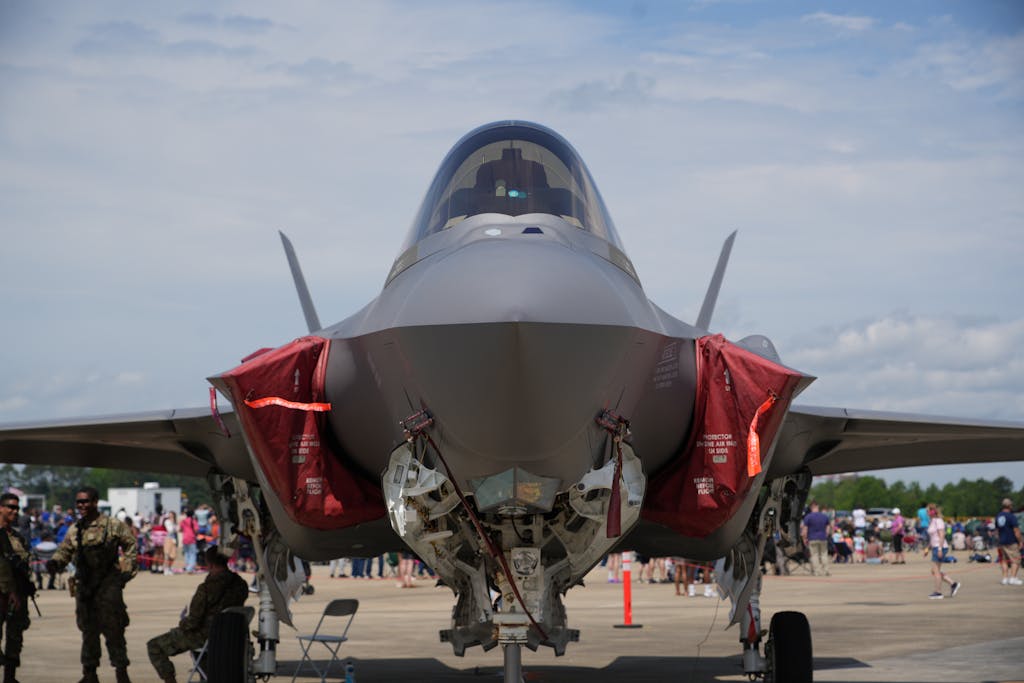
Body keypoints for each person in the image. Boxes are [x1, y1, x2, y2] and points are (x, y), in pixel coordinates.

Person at [47, 486, 138, 683]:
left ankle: (121, 673)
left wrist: (126, 573)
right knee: (88, 632)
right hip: (86, 589)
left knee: (114, 631)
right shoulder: (76, 530)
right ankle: (89, 674)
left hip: (108, 588)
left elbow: (130, 545)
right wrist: (55, 562)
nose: (81, 506)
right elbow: (65, 551)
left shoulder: (113, 525)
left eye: (85, 501)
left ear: (95, 502)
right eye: (79, 502)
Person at [146, 547, 249, 683]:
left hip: (205, 636)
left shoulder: (206, 589)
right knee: (200, 651)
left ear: (210, 564)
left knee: (154, 646)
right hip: (231, 635)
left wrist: (182, 622)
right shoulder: (241, 584)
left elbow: (193, 622)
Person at [0, 492, 34, 683]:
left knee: (15, 640)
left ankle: (10, 678)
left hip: (18, 597)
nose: (14, 511)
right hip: (2, 595)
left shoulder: (18, 537)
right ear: (0, 508)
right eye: (10, 507)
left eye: (16, 508)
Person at [923, 503, 959, 599]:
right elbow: (933, 537)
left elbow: (942, 535)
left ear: (932, 512)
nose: (926, 512)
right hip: (935, 546)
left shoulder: (938, 521)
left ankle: (938, 592)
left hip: (940, 547)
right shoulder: (932, 521)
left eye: (927, 511)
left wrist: (939, 549)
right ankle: (953, 584)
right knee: (934, 570)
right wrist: (927, 548)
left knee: (936, 571)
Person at [995, 498, 1022, 585]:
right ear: (1010, 506)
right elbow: (1016, 531)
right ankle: (1013, 578)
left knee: (1003, 560)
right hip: (1011, 541)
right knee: (1016, 560)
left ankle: (1005, 578)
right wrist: (1020, 541)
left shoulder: (998, 516)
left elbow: (997, 530)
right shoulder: (1011, 516)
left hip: (1001, 541)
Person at [801, 501, 831, 576]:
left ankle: (817, 572)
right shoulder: (824, 516)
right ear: (818, 507)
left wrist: (804, 538)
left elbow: (805, 529)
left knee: (814, 555)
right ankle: (826, 570)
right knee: (824, 554)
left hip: (812, 538)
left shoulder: (808, 517)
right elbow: (828, 527)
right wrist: (826, 534)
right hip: (823, 537)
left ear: (811, 507)